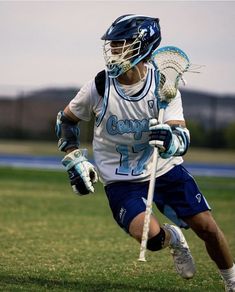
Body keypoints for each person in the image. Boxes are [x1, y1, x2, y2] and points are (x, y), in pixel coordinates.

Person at [56, 14, 235, 291]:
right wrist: (74, 157)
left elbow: (182, 136)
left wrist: (170, 141)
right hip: (120, 180)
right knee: (149, 239)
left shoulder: (164, 86)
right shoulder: (99, 86)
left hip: (162, 169)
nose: (114, 51)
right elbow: (66, 121)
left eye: (122, 45)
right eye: (113, 45)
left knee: (208, 228)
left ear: (143, 46)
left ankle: (231, 282)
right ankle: (174, 238)